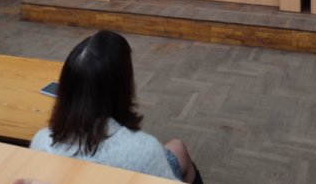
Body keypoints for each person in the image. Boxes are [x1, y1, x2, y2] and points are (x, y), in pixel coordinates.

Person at [30, 30, 203, 183]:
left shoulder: (41, 142)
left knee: (176, 147)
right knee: (179, 149)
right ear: (122, 86)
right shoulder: (144, 150)